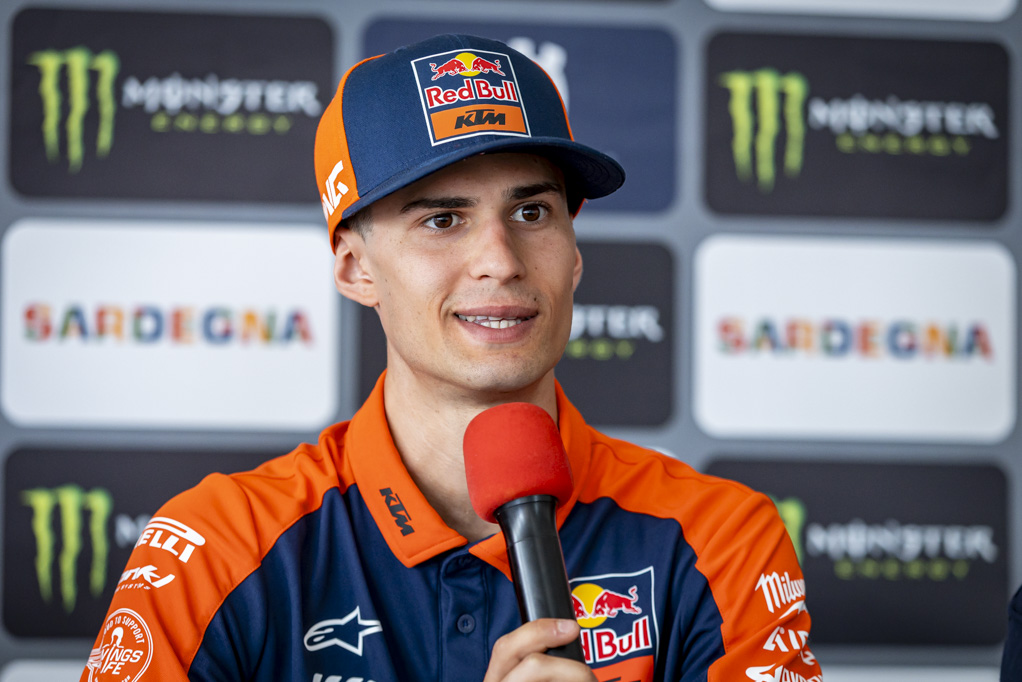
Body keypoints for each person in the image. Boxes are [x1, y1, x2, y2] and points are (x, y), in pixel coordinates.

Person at [81, 34, 821, 682]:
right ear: (356, 269)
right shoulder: (217, 545)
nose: (501, 260)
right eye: (442, 220)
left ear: (573, 255)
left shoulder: (719, 538)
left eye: (531, 212)